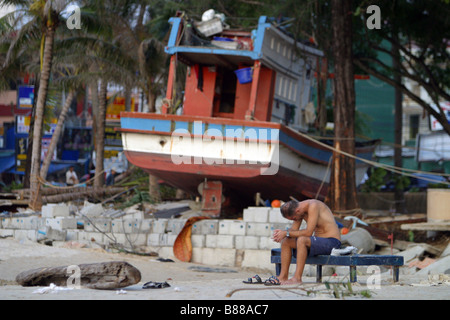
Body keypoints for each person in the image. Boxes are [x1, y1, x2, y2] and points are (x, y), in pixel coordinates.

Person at [272, 199, 341, 285]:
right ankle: (282, 277)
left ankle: (297, 278)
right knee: (286, 241)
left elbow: (308, 232)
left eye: (294, 218)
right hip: (317, 243)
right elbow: (293, 230)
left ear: (297, 211)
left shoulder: (313, 206)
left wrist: (287, 233)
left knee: (302, 240)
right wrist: (282, 233)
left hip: (332, 242)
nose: (295, 220)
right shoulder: (299, 211)